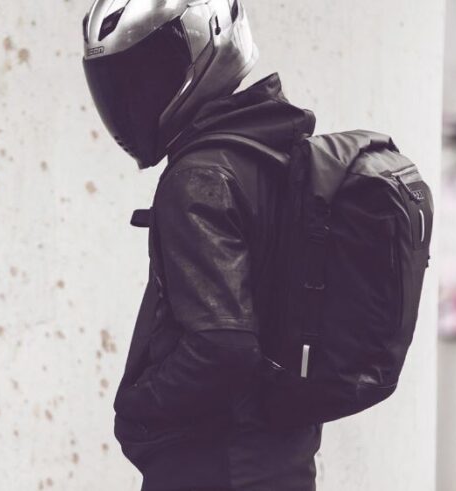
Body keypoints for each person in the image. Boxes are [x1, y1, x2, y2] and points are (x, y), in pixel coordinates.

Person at [82, 1, 322, 489]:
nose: (132, 99)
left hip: (212, 464)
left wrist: (138, 406)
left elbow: (223, 345)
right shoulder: (273, 150)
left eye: (146, 76)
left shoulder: (199, 176)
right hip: (279, 461)